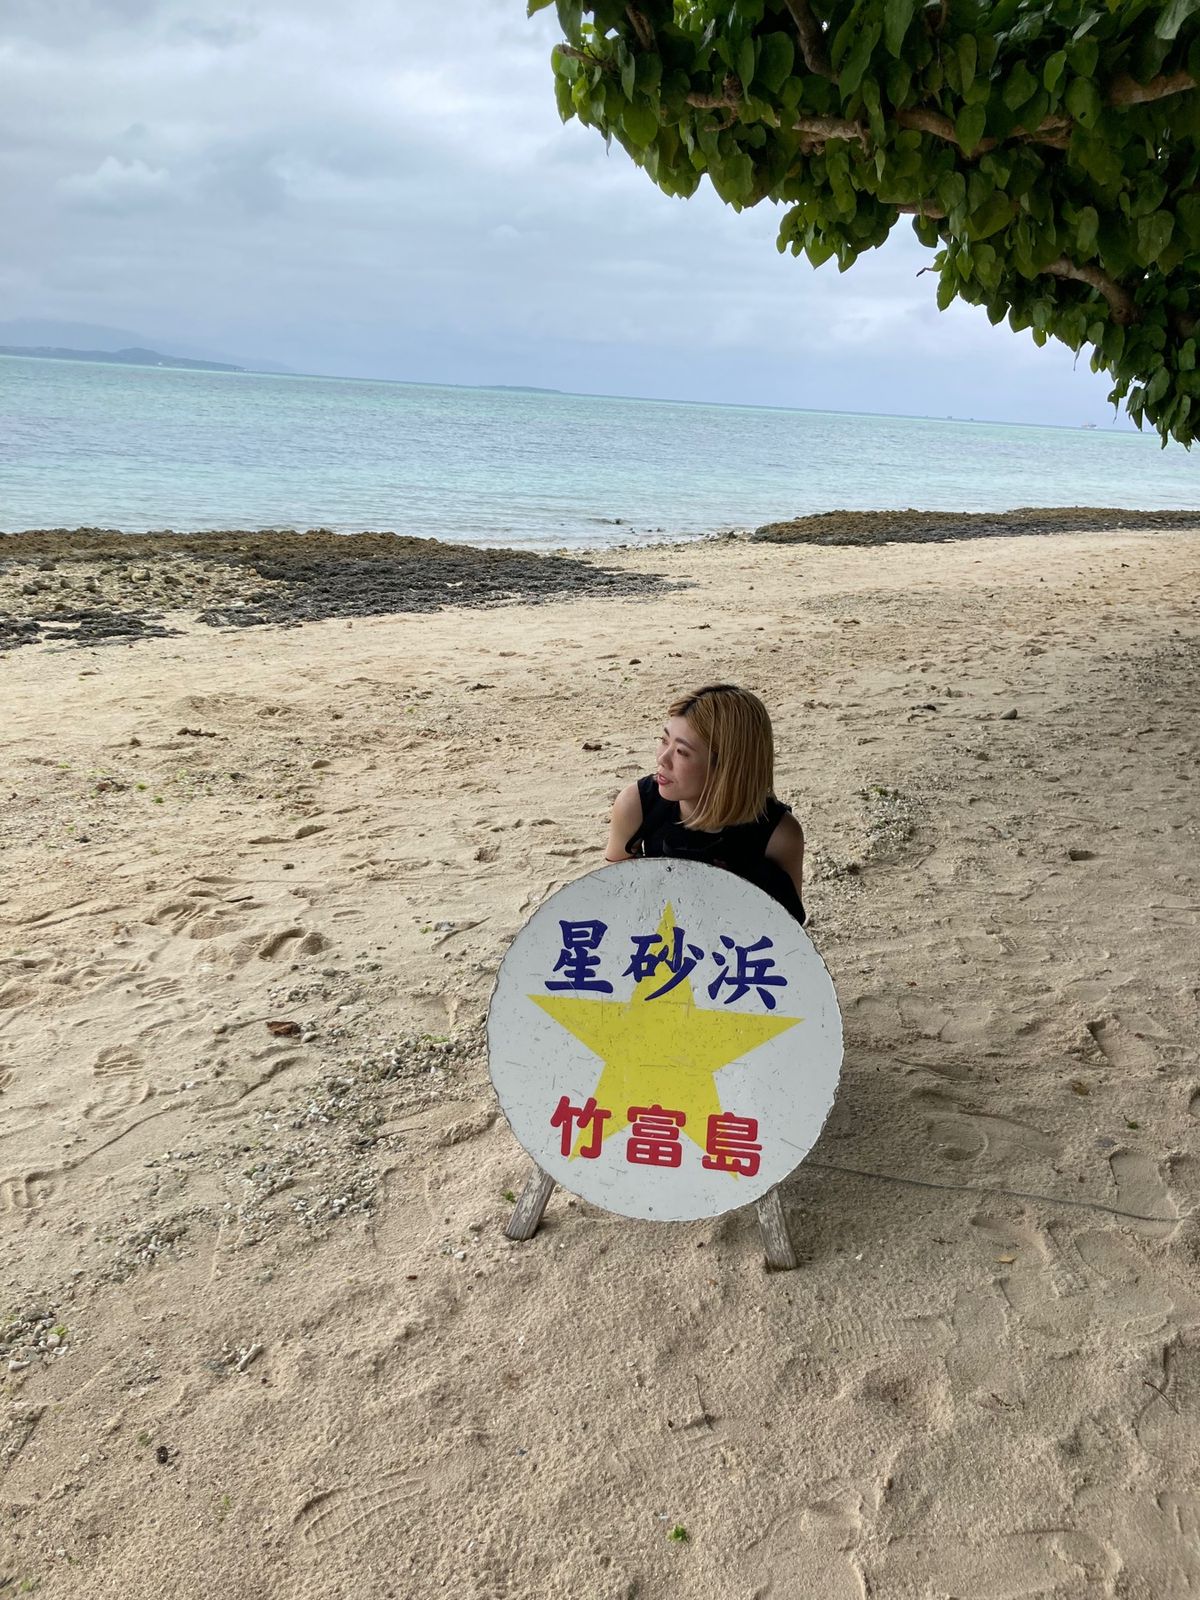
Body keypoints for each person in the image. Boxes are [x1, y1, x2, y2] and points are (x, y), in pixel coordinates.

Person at [604, 683, 806, 924]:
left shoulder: (779, 835)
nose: (662, 758)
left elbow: (788, 930)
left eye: (681, 752)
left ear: (728, 767)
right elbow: (614, 897)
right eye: (664, 740)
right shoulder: (636, 804)